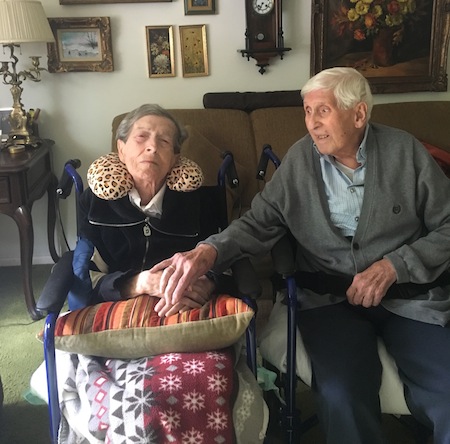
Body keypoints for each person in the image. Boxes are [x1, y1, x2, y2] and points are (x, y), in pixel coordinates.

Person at [153, 67, 450, 443]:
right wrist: (209, 250)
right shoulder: (299, 161)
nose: (311, 124)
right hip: (329, 300)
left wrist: (395, 266)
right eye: (307, 112)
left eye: (322, 111)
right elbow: (259, 222)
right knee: (342, 393)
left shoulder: (405, 152)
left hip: (411, 298)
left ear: (358, 114)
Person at [71, 103, 225, 314]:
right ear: (121, 150)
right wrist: (140, 283)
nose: (152, 147)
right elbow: (87, 275)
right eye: (141, 137)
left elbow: (222, 261)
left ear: (175, 159)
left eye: (164, 141)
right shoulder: (94, 201)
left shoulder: (202, 201)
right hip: (115, 306)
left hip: (184, 307)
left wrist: (205, 285)